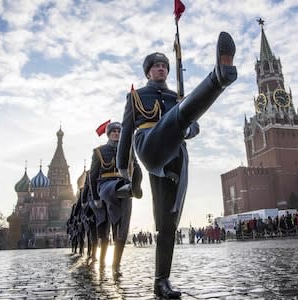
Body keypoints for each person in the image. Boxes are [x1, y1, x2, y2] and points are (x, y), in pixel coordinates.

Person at [117, 32, 237, 298]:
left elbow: (194, 127)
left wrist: (191, 128)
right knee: (176, 117)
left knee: (167, 224)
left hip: (175, 158)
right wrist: (124, 172)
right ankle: (218, 77)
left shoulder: (177, 97)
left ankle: (162, 282)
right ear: (148, 72)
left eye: (164, 66)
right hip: (149, 145)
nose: (161, 68)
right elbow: (126, 132)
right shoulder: (137, 97)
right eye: (156, 66)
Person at [89, 121, 142, 277]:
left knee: (122, 230)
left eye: (120, 132)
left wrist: (136, 167)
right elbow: (92, 176)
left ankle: (116, 265)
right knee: (115, 188)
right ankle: (132, 189)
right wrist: (95, 197)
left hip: (125, 185)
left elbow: (135, 166)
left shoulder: (127, 150)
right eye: (114, 131)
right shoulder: (99, 151)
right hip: (105, 185)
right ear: (109, 133)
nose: (117, 134)